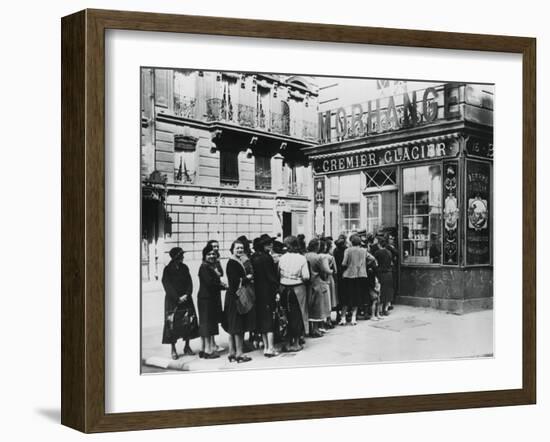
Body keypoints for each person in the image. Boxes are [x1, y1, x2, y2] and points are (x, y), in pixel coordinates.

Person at [161, 247, 198, 360]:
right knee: (172, 324)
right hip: (173, 301)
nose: (182, 257)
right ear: (175, 256)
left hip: (186, 300)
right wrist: (177, 298)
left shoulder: (184, 267)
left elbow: (189, 282)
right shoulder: (167, 270)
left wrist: (187, 294)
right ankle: (173, 349)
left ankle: (187, 346)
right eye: (180, 255)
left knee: (188, 322)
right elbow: (167, 285)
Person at [224, 240, 255, 363]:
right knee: (238, 326)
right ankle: (239, 354)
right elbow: (234, 281)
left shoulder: (236, 261)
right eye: (237, 248)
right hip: (237, 296)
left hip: (232, 296)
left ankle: (232, 352)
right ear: (232, 249)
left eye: (241, 248)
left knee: (233, 326)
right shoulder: (232, 263)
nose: (240, 250)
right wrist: (247, 278)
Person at [278, 235, 310, 351]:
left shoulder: (282, 258)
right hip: (297, 288)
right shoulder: (301, 258)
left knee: (285, 315)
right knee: (297, 315)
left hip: (283, 288)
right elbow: (306, 276)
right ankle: (296, 343)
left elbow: (278, 273)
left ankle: (287, 342)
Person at [251, 233, 280, 357]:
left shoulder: (254, 257)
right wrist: (276, 291)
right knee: (270, 320)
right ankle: (271, 348)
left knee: (262, 321)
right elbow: (271, 277)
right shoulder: (267, 258)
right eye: (268, 244)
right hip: (268, 292)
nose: (271, 245)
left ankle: (266, 347)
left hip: (258, 292)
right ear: (263, 246)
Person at [197, 243, 226, 359]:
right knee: (207, 324)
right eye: (209, 254)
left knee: (208, 323)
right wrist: (223, 286)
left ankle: (205, 349)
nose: (211, 256)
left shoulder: (210, 266)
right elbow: (210, 283)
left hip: (209, 298)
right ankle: (208, 351)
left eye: (213, 254)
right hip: (206, 299)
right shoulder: (204, 267)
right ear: (204, 256)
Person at [305, 238, 332, 338]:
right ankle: (315, 329)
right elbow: (324, 270)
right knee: (317, 306)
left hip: (307, 283)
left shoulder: (305, 255)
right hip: (317, 282)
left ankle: (310, 328)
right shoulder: (318, 258)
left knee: (309, 306)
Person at [340, 234, 368, 325]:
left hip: (348, 275)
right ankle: (353, 318)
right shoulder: (364, 251)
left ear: (351, 242)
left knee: (346, 297)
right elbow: (371, 259)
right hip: (360, 275)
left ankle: (343, 318)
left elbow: (344, 263)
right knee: (356, 297)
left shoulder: (348, 250)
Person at [206, 239, 225, 353]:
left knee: (216, 318)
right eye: (214, 246)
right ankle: (211, 344)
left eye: (217, 246)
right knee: (211, 319)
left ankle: (213, 343)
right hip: (211, 292)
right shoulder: (208, 261)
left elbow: (221, 272)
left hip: (216, 291)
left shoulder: (217, 259)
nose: (216, 248)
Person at [319, 238, 337, 328]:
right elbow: (335, 270)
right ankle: (329, 319)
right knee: (329, 299)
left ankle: (321, 320)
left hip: (320, 279)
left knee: (321, 301)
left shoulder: (318, 256)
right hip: (329, 278)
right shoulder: (330, 257)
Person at [374, 238, 395, 316]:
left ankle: (379, 310)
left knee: (381, 291)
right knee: (388, 292)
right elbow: (391, 262)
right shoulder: (389, 252)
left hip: (381, 274)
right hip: (389, 274)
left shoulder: (377, 253)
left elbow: (375, 262)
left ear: (379, 244)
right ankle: (385, 309)